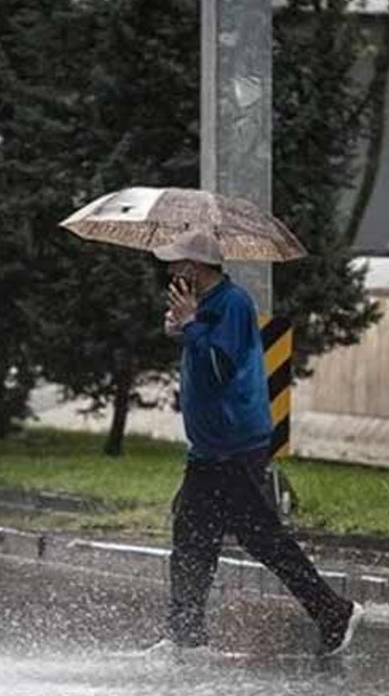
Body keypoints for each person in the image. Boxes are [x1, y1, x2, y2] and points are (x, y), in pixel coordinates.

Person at [149, 228, 362, 657]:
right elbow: (201, 350)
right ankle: (186, 634)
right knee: (194, 536)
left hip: (233, 445)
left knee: (257, 537)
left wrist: (190, 327)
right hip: (211, 447)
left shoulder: (232, 304)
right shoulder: (205, 304)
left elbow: (219, 369)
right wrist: (181, 327)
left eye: (176, 262)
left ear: (195, 266)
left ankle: (333, 612)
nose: (170, 269)